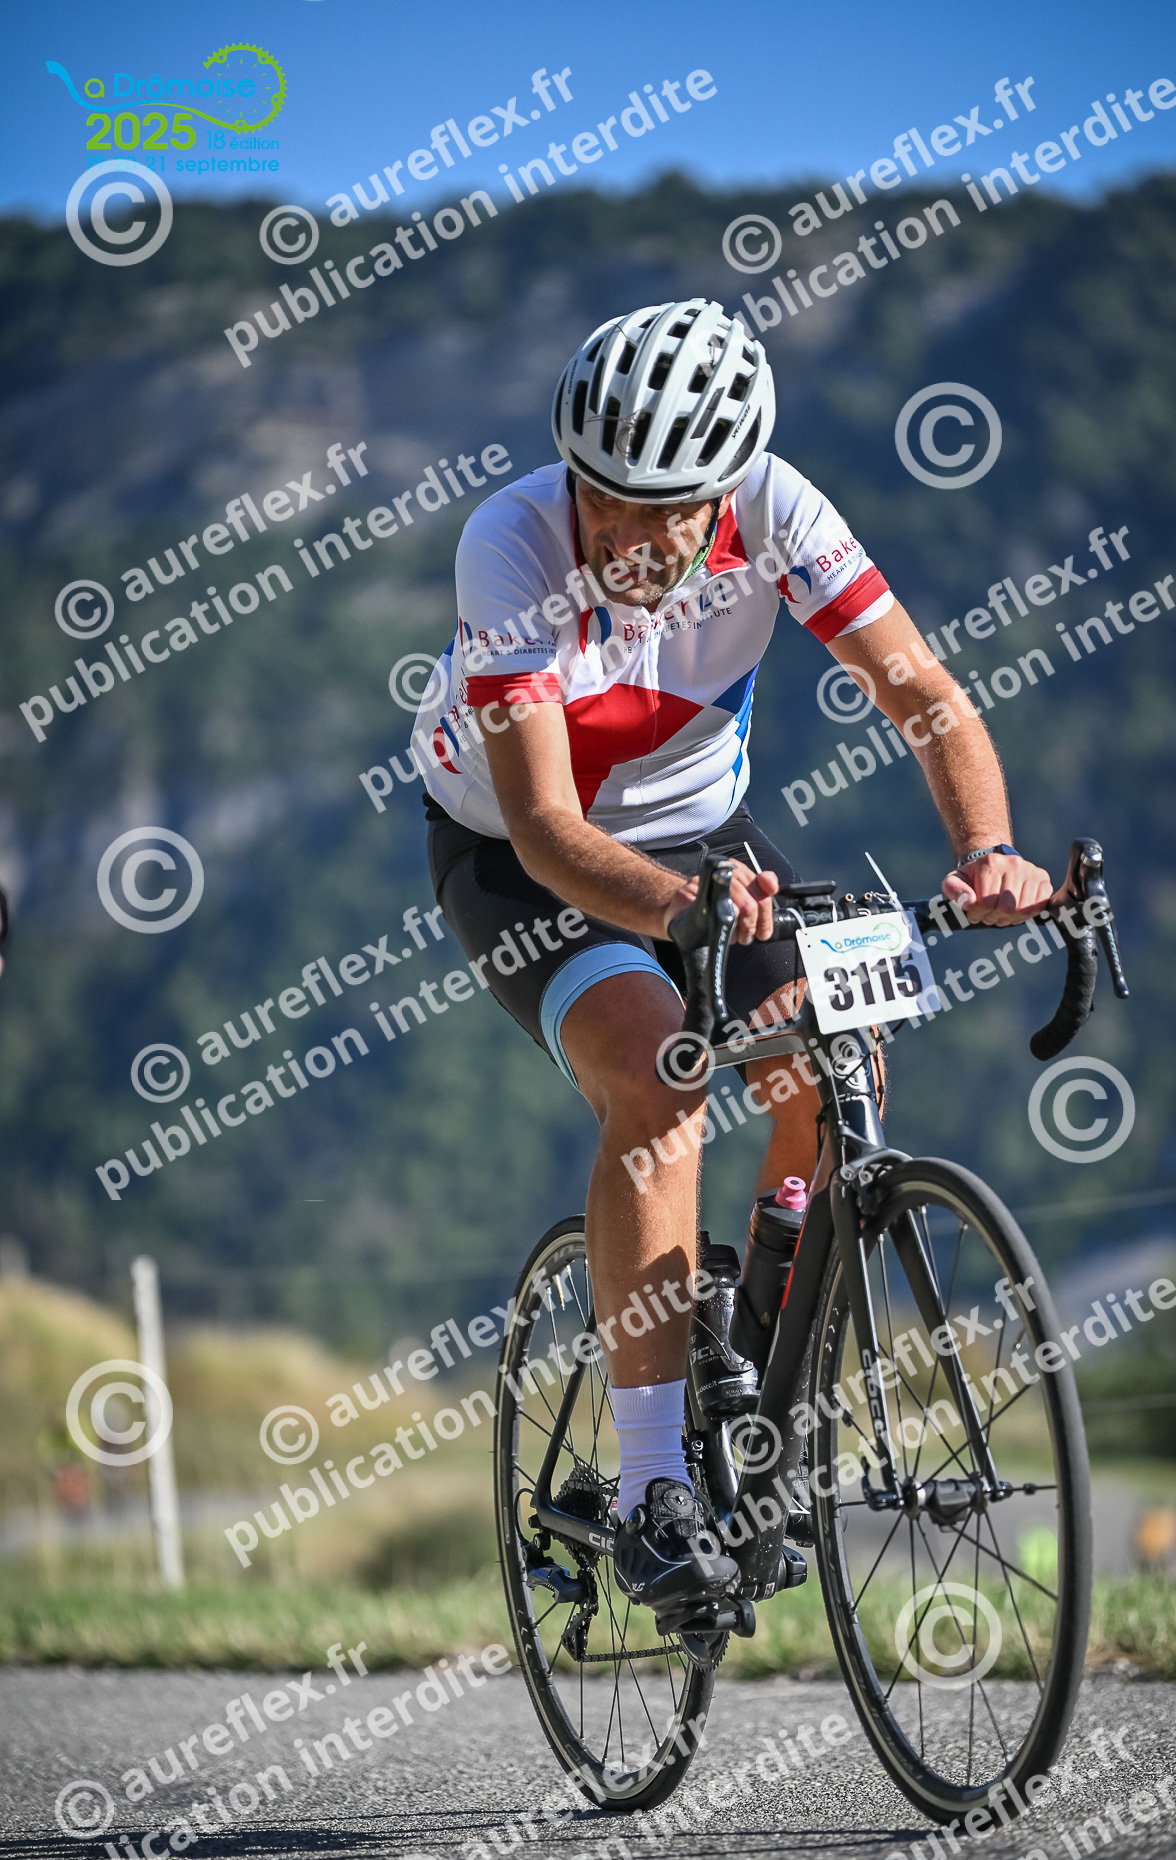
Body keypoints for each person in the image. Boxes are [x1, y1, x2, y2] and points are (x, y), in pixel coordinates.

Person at [414, 297, 1059, 1615]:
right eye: (602, 496)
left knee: (836, 1070)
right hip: (521, 852)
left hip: (705, 834)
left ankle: (766, 1383)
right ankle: (655, 1489)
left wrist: (988, 848)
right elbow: (545, 826)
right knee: (662, 1083)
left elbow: (925, 696)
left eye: (662, 512)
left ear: (722, 495)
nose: (624, 536)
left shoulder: (780, 512)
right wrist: (679, 909)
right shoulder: (510, 542)